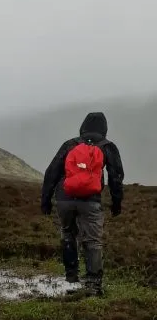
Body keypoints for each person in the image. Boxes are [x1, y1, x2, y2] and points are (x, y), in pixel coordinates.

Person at [41, 111, 124, 296]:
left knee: (68, 234)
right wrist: (117, 203)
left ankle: (71, 277)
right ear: (104, 128)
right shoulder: (107, 146)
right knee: (93, 240)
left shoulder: (70, 144)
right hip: (91, 201)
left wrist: (45, 200)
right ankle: (94, 283)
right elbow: (116, 176)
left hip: (64, 198)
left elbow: (52, 171)